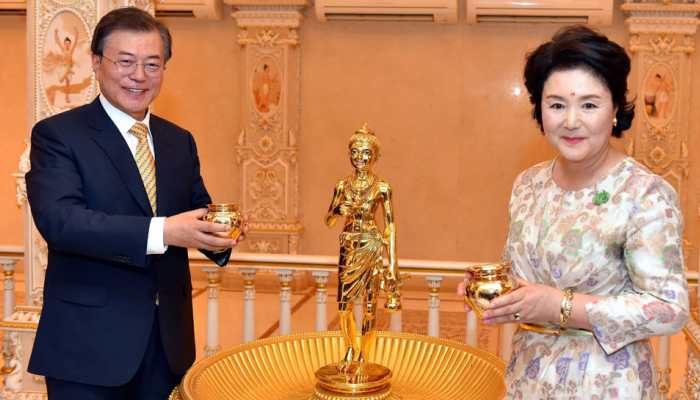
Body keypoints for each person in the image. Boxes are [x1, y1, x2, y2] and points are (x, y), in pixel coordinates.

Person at [463, 26, 689, 398]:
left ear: (615, 109)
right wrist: (500, 292)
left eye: (589, 104)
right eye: (556, 105)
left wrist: (560, 306)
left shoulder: (643, 194)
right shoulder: (529, 184)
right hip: (529, 374)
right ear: (539, 110)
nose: (570, 121)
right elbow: (530, 278)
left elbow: (669, 309)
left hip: (608, 383)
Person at [26, 7, 239, 399]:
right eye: (125, 62)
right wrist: (165, 230)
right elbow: (62, 221)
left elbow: (196, 208)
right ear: (95, 62)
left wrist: (219, 232)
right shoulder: (59, 135)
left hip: (167, 346)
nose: (139, 76)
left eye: (152, 64)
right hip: (88, 349)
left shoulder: (178, 141)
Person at [324, 124, 401, 373]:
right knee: (343, 307)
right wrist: (338, 210)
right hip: (348, 246)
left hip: (371, 246)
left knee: (369, 308)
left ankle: (363, 355)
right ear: (350, 154)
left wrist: (392, 265)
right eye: (356, 152)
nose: (361, 157)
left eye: (366, 152)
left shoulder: (382, 188)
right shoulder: (342, 185)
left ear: (375, 156)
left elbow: (390, 227)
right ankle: (349, 347)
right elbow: (328, 220)